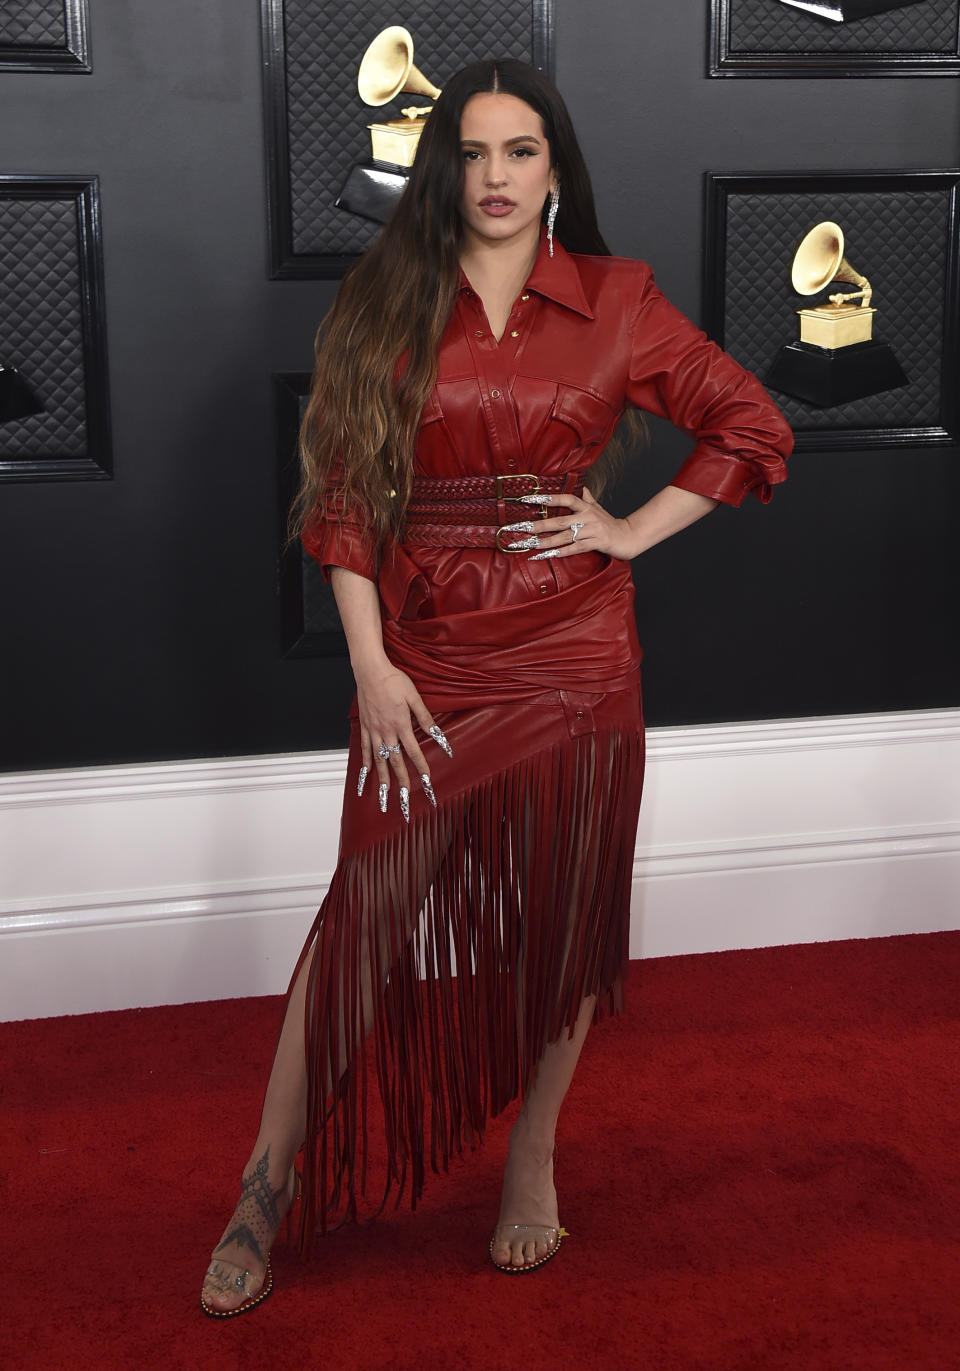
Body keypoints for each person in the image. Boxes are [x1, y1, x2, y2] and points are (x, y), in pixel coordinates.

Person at [200, 58, 792, 1316]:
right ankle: (265, 1180)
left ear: (557, 168)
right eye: (470, 154)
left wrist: (625, 530)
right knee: (361, 922)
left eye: (520, 152)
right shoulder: (383, 298)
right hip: (425, 661)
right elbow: (348, 499)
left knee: (561, 925)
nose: (495, 178)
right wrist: (370, 667)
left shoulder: (620, 301)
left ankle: (532, 1156)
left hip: (575, 659)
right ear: (441, 170)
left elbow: (751, 427)